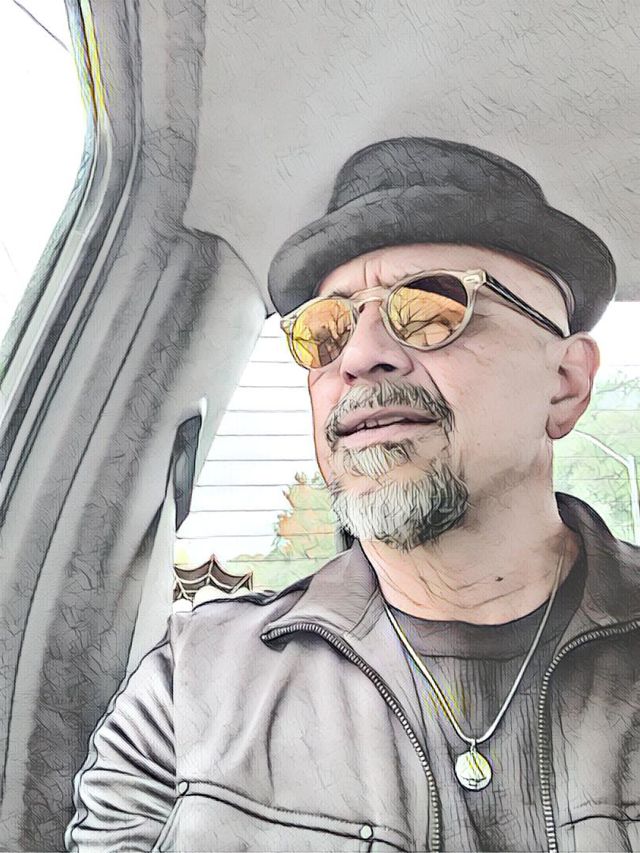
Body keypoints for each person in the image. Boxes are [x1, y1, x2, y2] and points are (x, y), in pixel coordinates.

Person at [66, 138, 640, 853]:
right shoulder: (188, 689)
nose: (359, 358)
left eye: (433, 307)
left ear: (565, 383)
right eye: (325, 330)